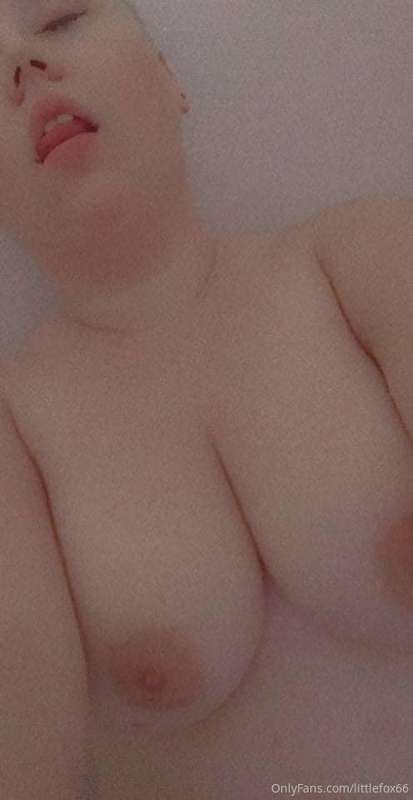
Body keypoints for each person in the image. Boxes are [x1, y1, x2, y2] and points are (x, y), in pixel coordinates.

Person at [0, 1, 412, 798]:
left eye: (59, 16)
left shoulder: (366, 258)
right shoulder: (16, 433)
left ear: (168, 78)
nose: (21, 66)